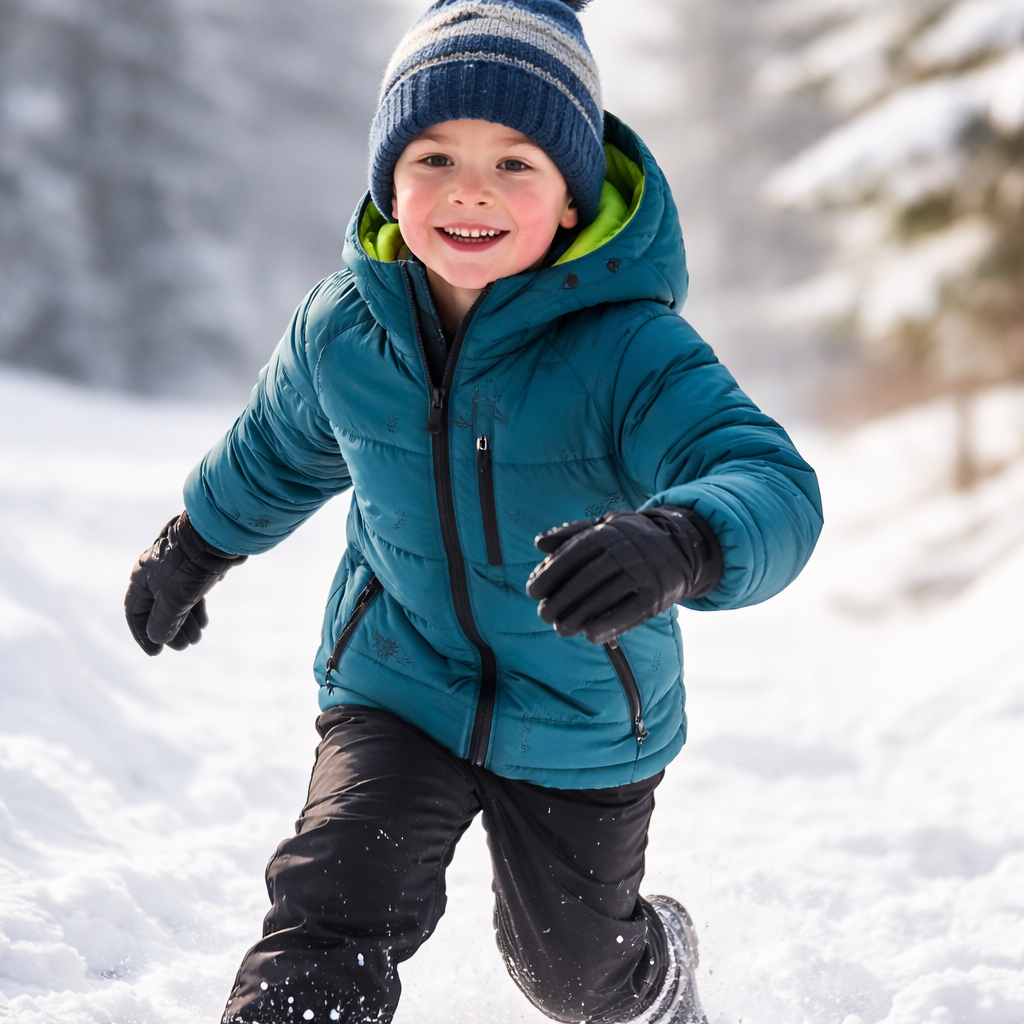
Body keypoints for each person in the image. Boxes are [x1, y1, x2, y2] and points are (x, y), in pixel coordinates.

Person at [125, 2, 823, 1022]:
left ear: (573, 198)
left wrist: (680, 539)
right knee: (329, 905)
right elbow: (275, 447)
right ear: (386, 176)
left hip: (580, 710)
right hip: (397, 681)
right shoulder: (345, 326)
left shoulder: (628, 348)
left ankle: (657, 966)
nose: (468, 191)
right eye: (434, 155)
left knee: (574, 976)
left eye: (515, 164)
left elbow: (768, 479)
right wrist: (194, 544)